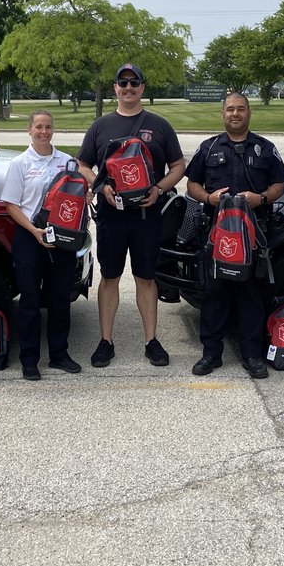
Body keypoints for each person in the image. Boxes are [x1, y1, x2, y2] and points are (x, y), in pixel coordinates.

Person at [77, 63, 185, 368]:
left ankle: (151, 340)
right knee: (110, 277)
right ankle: (105, 341)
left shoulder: (159, 125)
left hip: (146, 217)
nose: (128, 88)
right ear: (115, 88)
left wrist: (160, 189)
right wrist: (100, 185)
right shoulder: (100, 126)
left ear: (142, 87)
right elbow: (83, 164)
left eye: (133, 83)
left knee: (145, 278)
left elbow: (178, 165)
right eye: (122, 83)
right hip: (112, 217)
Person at [184, 93, 284, 378]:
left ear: (249, 113)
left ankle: (252, 355)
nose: (235, 114)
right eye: (230, 109)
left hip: (254, 235)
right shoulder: (209, 148)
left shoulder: (265, 148)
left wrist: (262, 198)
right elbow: (191, 184)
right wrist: (208, 197)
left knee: (251, 295)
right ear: (223, 114)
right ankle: (211, 354)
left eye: (240, 109)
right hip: (217, 234)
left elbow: (280, 184)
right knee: (215, 294)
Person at [0, 110, 83, 381]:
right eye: (38, 127)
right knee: (30, 300)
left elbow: (77, 196)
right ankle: (29, 360)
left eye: (48, 127)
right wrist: (34, 231)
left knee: (60, 298)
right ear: (29, 130)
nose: (44, 131)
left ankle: (59, 354)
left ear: (53, 129)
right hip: (29, 236)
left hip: (62, 239)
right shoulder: (20, 163)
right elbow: (11, 204)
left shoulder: (67, 162)